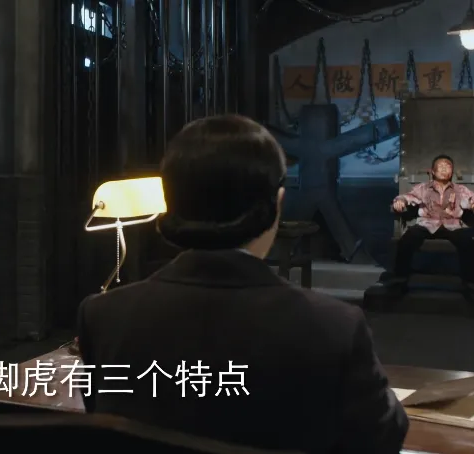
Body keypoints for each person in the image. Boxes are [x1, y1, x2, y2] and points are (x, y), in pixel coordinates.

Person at [75, 115, 408, 453]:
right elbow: (383, 436)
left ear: (170, 202)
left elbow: (103, 419)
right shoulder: (335, 327)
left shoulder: (102, 315)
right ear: (277, 204)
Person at [387, 154, 474, 301]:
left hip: (452, 224)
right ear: (433, 171)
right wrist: (400, 201)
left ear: (452, 172)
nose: (444, 169)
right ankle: (399, 281)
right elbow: (407, 196)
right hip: (427, 223)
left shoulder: (460, 189)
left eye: (448, 166)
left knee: (467, 243)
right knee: (408, 239)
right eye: (440, 166)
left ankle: (472, 286)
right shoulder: (423, 188)